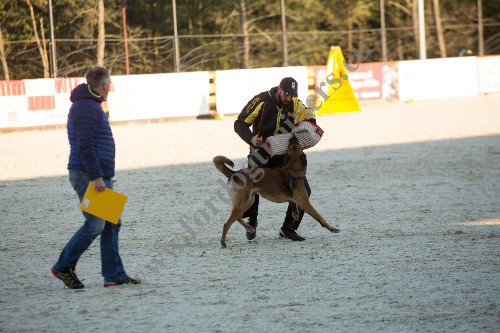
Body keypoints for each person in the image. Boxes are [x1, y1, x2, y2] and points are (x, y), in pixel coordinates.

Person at [51, 67, 140, 289]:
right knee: (95, 225)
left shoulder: (90, 105)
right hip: (88, 174)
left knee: (111, 224)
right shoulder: (85, 107)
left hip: (97, 173)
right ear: (105, 84)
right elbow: (85, 145)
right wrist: (97, 177)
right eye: (110, 82)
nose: (111, 86)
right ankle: (63, 265)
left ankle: (114, 276)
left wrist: (105, 174)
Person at [234, 77, 317, 242]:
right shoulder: (261, 100)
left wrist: (308, 127)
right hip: (261, 153)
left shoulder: (295, 103)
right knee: (252, 186)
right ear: (279, 89)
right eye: (286, 94)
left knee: (304, 190)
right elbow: (239, 123)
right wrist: (251, 138)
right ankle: (252, 219)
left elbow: (310, 117)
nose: (288, 98)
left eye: (291, 95)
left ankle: (288, 228)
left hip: (284, 157)